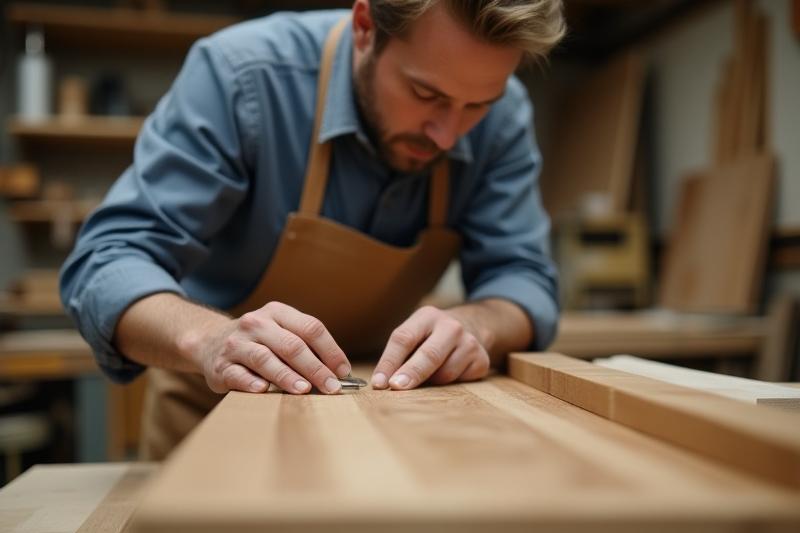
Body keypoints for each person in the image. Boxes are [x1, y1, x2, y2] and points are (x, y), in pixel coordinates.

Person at [60, 0, 565, 459]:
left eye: (476, 105)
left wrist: (479, 325)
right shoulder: (243, 76)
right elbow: (107, 261)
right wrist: (211, 341)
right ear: (365, 27)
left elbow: (522, 278)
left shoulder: (505, 116)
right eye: (424, 92)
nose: (448, 134)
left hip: (389, 431)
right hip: (216, 424)